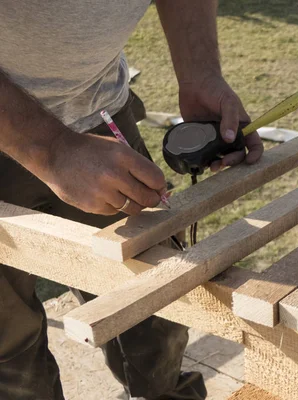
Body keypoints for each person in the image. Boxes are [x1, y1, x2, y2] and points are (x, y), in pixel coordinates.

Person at [0, 1, 263, 399]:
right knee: (9, 351)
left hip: (100, 111)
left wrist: (200, 73)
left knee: (156, 306)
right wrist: (52, 148)